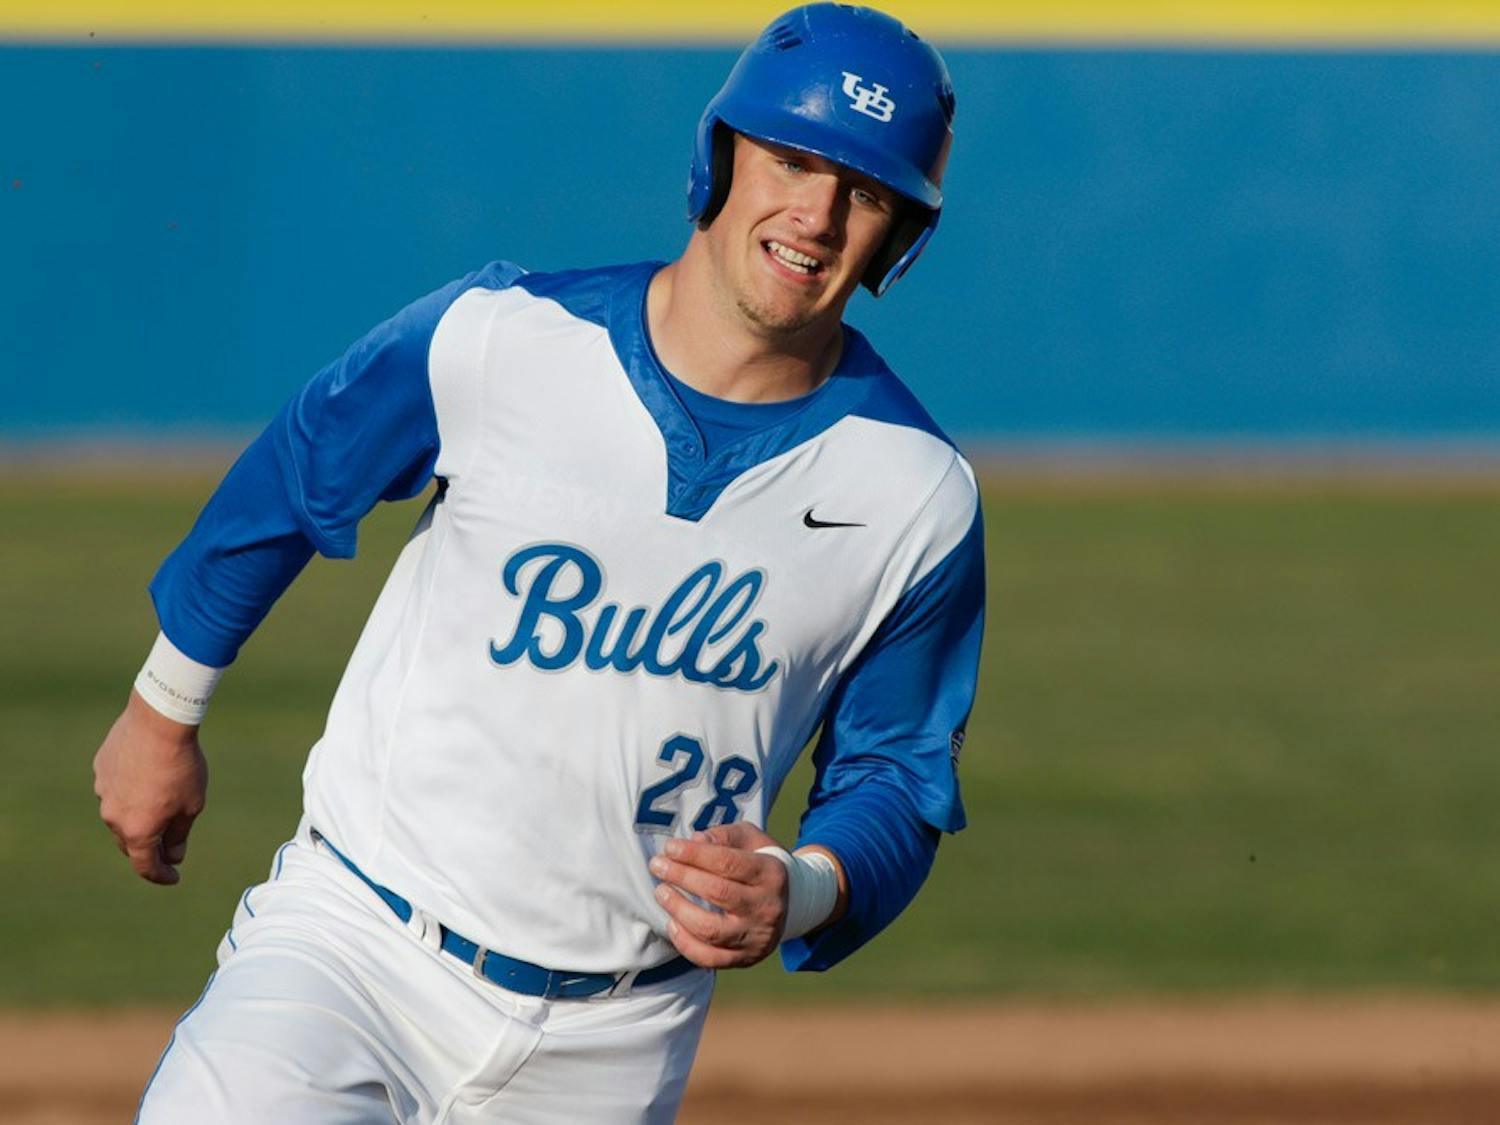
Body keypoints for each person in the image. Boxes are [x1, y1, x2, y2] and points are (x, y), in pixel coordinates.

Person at [93, 4, 984, 1121]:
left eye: (866, 190)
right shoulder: (501, 337)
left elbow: (898, 779)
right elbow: (298, 470)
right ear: (721, 158)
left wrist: (802, 890)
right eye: (793, 158)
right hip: (354, 950)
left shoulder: (915, 495)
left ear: (900, 233)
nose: (817, 212)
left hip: (617, 1042)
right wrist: (162, 710)